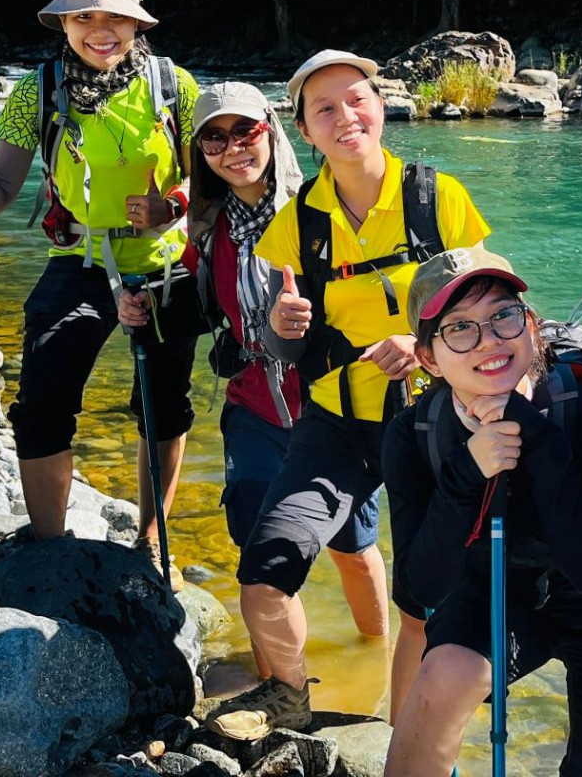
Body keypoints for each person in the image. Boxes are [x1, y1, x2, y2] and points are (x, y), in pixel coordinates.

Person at [206, 50, 492, 741]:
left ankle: (410, 734)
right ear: (303, 130)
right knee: (264, 572)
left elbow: (495, 320)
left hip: (434, 423)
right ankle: (292, 701)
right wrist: (280, 329)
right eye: (324, 109)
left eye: (356, 100)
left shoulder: (436, 198)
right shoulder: (296, 222)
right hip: (335, 425)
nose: (345, 117)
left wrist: (421, 346)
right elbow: (285, 346)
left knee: (426, 601)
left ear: (381, 105)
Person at [0, 0, 202, 558]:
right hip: (80, 262)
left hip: (167, 263)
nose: (100, 29)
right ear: (62, 24)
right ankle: (49, 548)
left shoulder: (173, 86)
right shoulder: (35, 92)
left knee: (162, 408)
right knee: (41, 403)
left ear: (137, 22)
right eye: (82, 16)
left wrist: (172, 206)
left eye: (113, 15)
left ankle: (150, 541)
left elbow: (211, 181)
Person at [381, 249, 582, 776]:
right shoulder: (414, 434)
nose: (489, 339)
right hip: (497, 590)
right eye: (460, 328)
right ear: (427, 358)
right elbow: (418, 590)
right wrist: (468, 471)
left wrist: (533, 435)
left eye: (503, 316)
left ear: (531, 326)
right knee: (444, 675)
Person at [185, 81, 391, 670]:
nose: (233, 149)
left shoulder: (324, 208)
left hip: (333, 413)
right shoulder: (208, 227)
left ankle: (372, 665)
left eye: (245, 131)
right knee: (259, 554)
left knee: (353, 547)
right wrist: (144, 306)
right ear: (201, 154)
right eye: (214, 139)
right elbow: (195, 300)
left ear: (272, 132)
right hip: (253, 408)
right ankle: (283, 686)